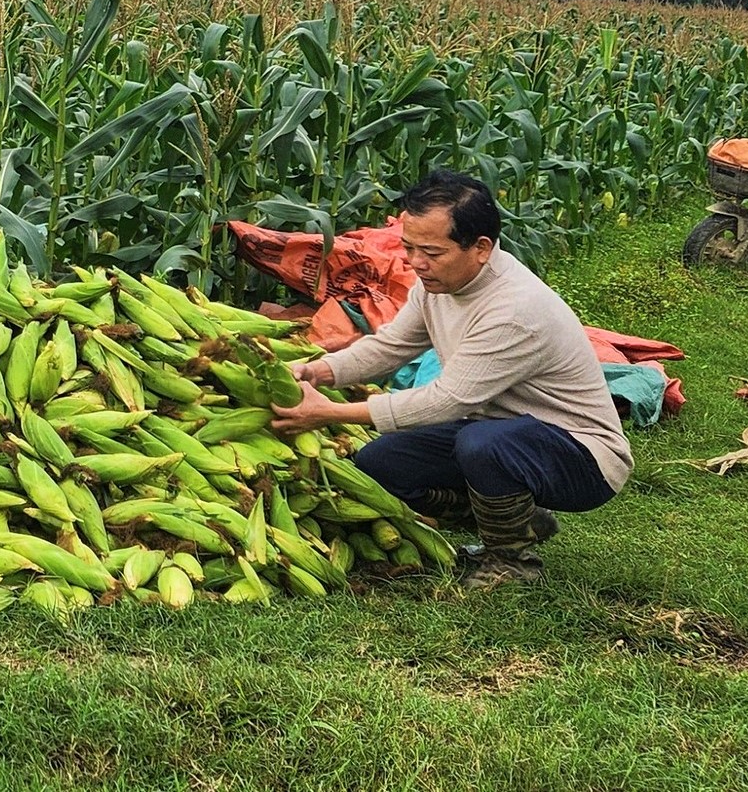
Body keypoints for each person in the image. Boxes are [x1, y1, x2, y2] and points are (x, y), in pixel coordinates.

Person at [270, 169, 631, 588]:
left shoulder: (513, 309)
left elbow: (447, 400)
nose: (416, 263)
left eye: (431, 252)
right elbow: (391, 346)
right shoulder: (437, 284)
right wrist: (318, 370)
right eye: (409, 248)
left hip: (582, 456)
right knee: (380, 462)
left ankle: (511, 560)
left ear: (480, 248)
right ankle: (518, 518)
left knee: (480, 444)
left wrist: (330, 413)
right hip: (504, 434)